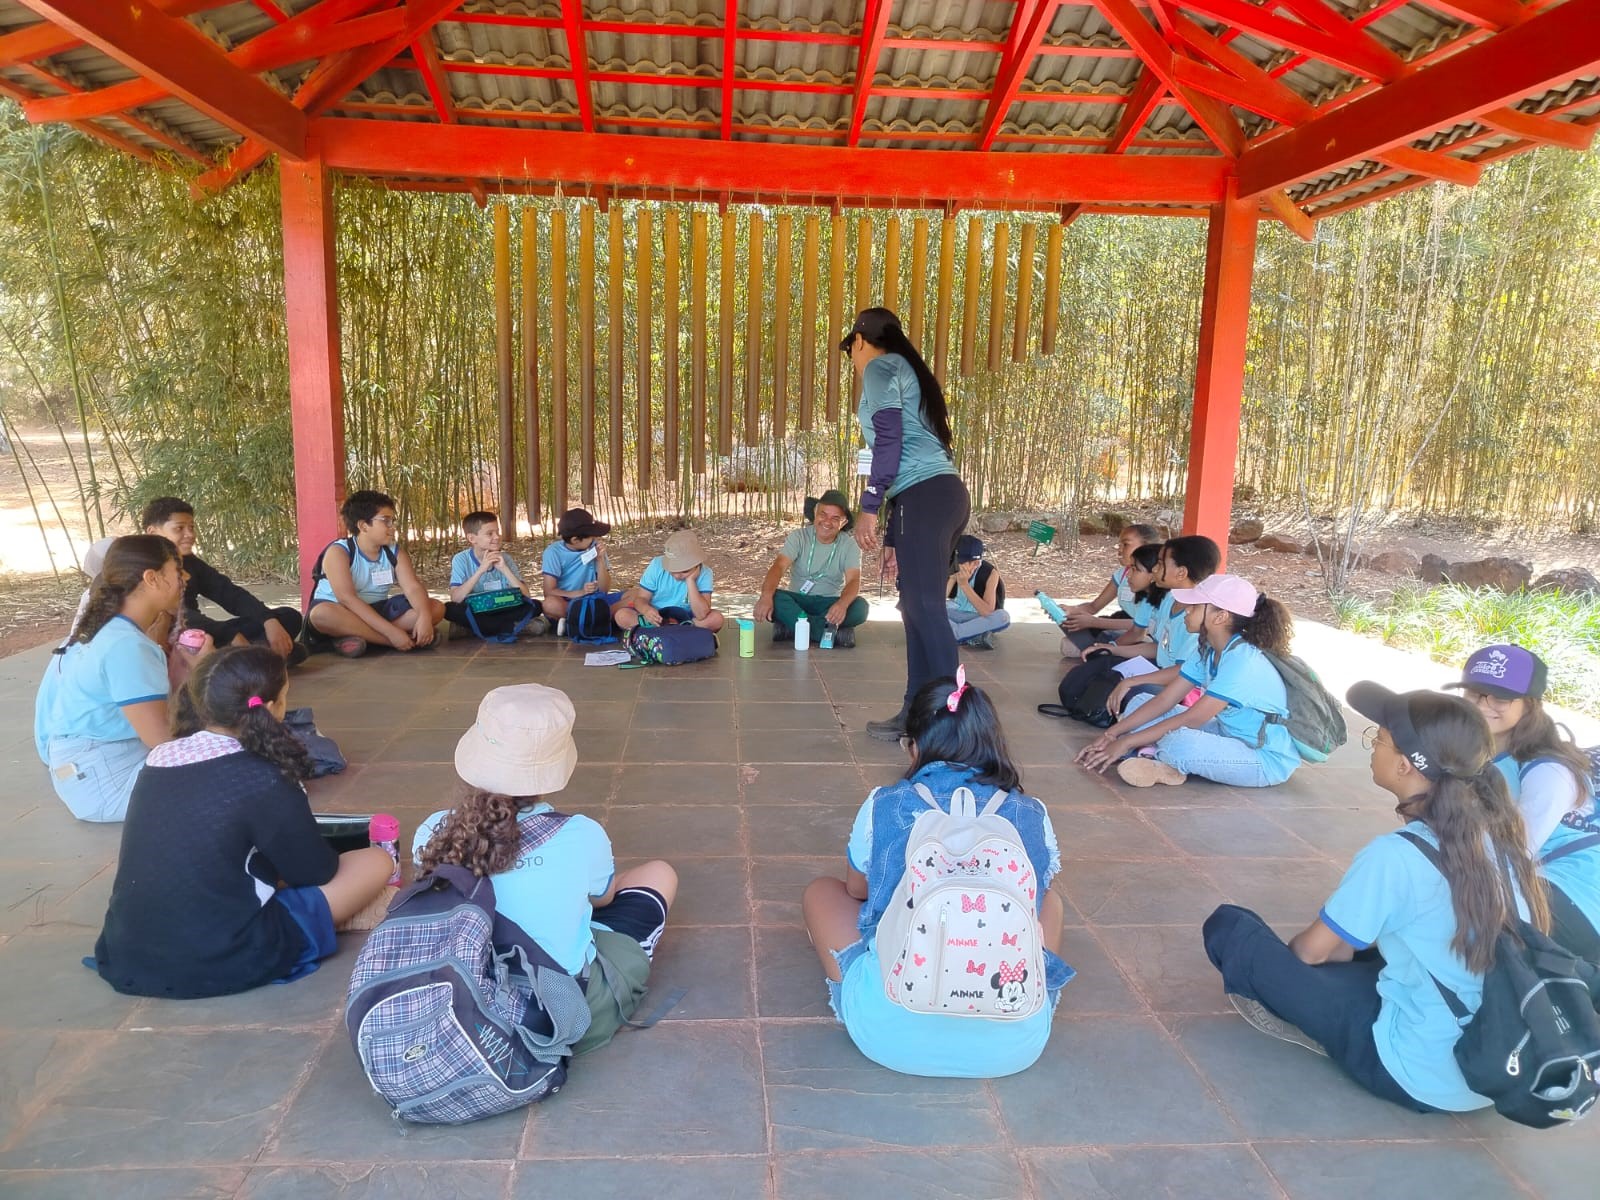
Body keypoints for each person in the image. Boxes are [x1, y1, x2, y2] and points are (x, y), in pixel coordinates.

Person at [1203, 684, 1549, 1113]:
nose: (1371, 749)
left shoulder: (1396, 856)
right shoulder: (1502, 836)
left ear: (1404, 766)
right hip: (1493, 1067)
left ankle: (1328, 1027)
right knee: (1379, 951)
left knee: (1233, 927)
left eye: (1377, 740)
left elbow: (1311, 954)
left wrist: (1299, 974)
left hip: (1419, 1074)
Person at [802, 672, 1072, 1076]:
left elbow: (857, 889)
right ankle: (1025, 988)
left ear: (913, 746)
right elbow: (1035, 894)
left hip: (887, 1034)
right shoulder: (1031, 811)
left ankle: (877, 994)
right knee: (1049, 901)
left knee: (822, 892)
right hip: (1016, 1043)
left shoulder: (886, 803)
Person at [91, 647, 395, 998]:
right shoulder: (264, 775)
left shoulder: (159, 758)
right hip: (223, 958)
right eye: (284, 699)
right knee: (375, 861)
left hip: (129, 954)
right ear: (268, 709)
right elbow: (315, 873)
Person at [413, 684, 678, 1055]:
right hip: (562, 1012)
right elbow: (603, 899)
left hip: (466, 1005)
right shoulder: (582, 833)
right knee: (659, 874)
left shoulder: (432, 831)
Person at [841, 307, 970, 741]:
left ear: (859, 341)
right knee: (916, 608)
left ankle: (957, 724)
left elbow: (891, 440)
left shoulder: (879, 368)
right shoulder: (907, 369)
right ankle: (918, 712)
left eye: (850, 351)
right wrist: (895, 536)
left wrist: (869, 505)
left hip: (925, 496)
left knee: (926, 610)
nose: (853, 361)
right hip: (937, 497)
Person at [1445, 644, 1599, 959]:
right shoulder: (1482, 752)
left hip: (1578, 896)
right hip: (1533, 882)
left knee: (1457, 931)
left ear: (1529, 705)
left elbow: (1513, 852)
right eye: (1474, 693)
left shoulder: (1549, 771)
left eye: (1500, 697)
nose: (1483, 705)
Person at [1076, 573, 1298, 789]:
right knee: (1141, 701)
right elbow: (1165, 699)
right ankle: (1152, 751)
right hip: (1225, 732)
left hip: (1262, 757)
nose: (1186, 611)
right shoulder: (1209, 648)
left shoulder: (1242, 662)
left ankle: (1159, 758)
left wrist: (1126, 741)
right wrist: (1112, 734)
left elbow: (1193, 717)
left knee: (1181, 743)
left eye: (1194, 606)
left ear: (1220, 616)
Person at [34, 535, 193, 822]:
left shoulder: (111, 631)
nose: (186, 577)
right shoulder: (127, 646)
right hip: (105, 782)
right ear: (152, 578)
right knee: (231, 765)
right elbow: (163, 740)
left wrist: (180, 677)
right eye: (177, 569)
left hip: (87, 772)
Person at [141, 497, 306, 665]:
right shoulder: (145, 567)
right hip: (178, 636)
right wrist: (229, 633)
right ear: (153, 532)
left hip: (205, 631)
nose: (189, 534)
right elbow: (177, 613)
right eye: (179, 528)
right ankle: (253, 657)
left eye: (191, 527)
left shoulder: (190, 561)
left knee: (287, 617)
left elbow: (229, 593)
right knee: (198, 639)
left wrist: (268, 620)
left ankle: (245, 657)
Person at [305, 490, 446, 658]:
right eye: (385, 521)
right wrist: (392, 633)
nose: (392, 527)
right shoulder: (339, 551)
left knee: (436, 608)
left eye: (392, 521)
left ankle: (356, 639)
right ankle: (393, 641)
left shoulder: (395, 553)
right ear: (363, 525)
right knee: (322, 614)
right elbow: (347, 598)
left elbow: (413, 588)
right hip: (343, 611)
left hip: (378, 610)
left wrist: (424, 616)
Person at [753, 489, 867, 648]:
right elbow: (778, 567)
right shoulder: (798, 537)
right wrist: (766, 596)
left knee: (860, 607)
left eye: (835, 518)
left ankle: (796, 628)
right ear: (815, 513)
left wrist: (842, 604)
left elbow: (854, 580)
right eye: (823, 514)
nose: (827, 522)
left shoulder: (850, 545)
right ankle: (829, 631)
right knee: (776, 598)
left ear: (844, 522)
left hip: (829, 604)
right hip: (798, 599)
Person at [1058, 523, 1160, 658]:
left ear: (1146, 547)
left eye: (1126, 544)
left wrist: (1096, 625)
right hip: (1125, 625)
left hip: (1145, 634)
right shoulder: (1122, 575)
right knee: (1069, 644)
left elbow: (1144, 627)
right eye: (1119, 545)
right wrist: (1070, 611)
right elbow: (1093, 606)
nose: (1119, 550)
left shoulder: (1159, 585)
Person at [444, 510, 549, 639]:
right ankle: (514, 627)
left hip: (502, 605)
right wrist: (481, 570)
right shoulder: (461, 559)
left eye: (497, 532)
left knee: (535, 605)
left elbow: (526, 595)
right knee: (450, 609)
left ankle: (471, 628)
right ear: (472, 538)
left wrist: (504, 568)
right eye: (490, 534)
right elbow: (456, 598)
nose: (497, 537)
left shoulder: (506, 558)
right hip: (477, 608)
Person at [613, 529, 724, 633]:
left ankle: (665, 632)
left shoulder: (705, 572)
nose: (677, 576)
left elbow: (701, 614)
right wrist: (646, 610)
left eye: (684, 571)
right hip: (656, 616)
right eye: (672, 570)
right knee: (622, 616)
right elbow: (641, 599)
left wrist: (691, 581)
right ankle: (678, 632)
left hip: (687, 618)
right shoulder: (656, 565)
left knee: (716, 619)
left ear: (696, 565)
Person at [540, 507, 618, 625]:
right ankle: (595, 619)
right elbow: (549, 591)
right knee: (549, 605)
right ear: (575, 540)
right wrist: (580, 592)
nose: (595, 539)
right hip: (568, 602)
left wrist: (600, 560)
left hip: (595, 601)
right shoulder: (553, 552)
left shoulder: (596, 547)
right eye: (591, 536)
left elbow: (604, 589)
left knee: (634, 595)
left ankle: (576, 622)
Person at [946, 534, 1009, 650]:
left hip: (976, 617)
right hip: (955, 612)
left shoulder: (990, 573)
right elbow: (938, 602)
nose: (959, 564)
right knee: (926, 610)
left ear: (976, 562)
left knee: (1002, 617)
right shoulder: (952, 566)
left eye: (962, 562)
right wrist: (952, 579)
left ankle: (955, 633)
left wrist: (964, 585)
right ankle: (974, 635)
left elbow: (987, 611)